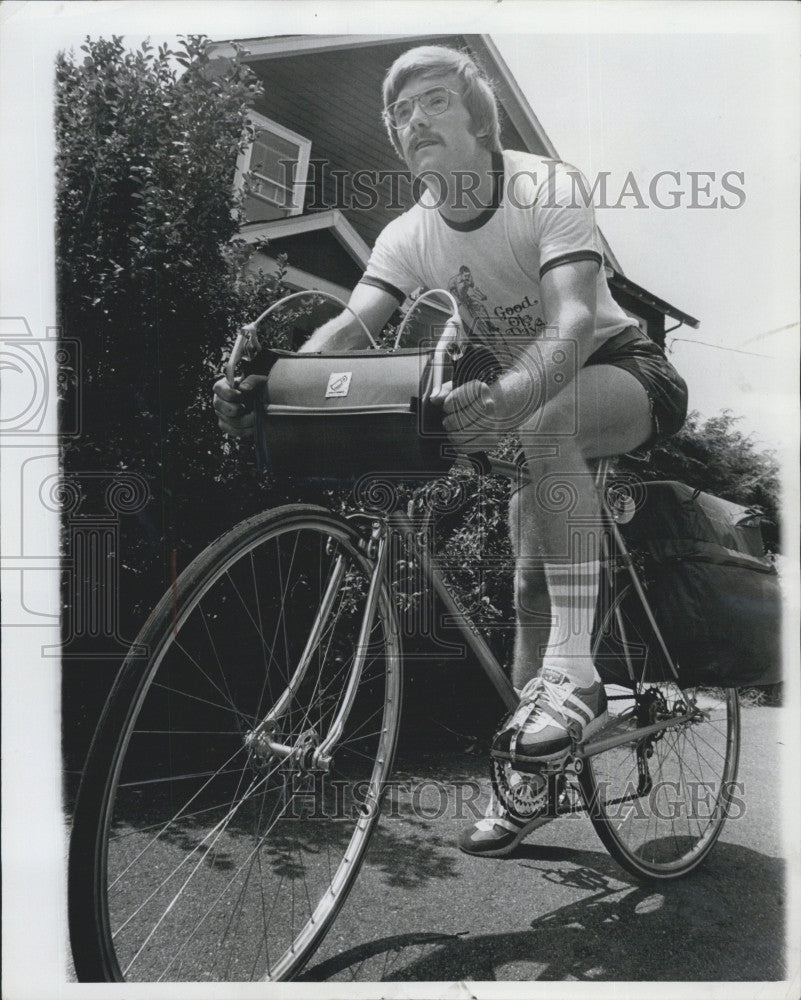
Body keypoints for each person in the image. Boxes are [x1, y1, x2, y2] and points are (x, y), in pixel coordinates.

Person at [214, 45, 688, 857]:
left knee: (546, 425)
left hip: (618, 371)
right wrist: (274, 384)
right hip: (527, 398)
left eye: (433, 100)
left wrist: (505, 401)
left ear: (476, 119)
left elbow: (572, 321)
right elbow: (350, 327)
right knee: (527, 578)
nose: (412, 120)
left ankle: (577, 675)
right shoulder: (408, 234)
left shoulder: (541, 186)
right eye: (399, 112)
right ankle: (531, 782)